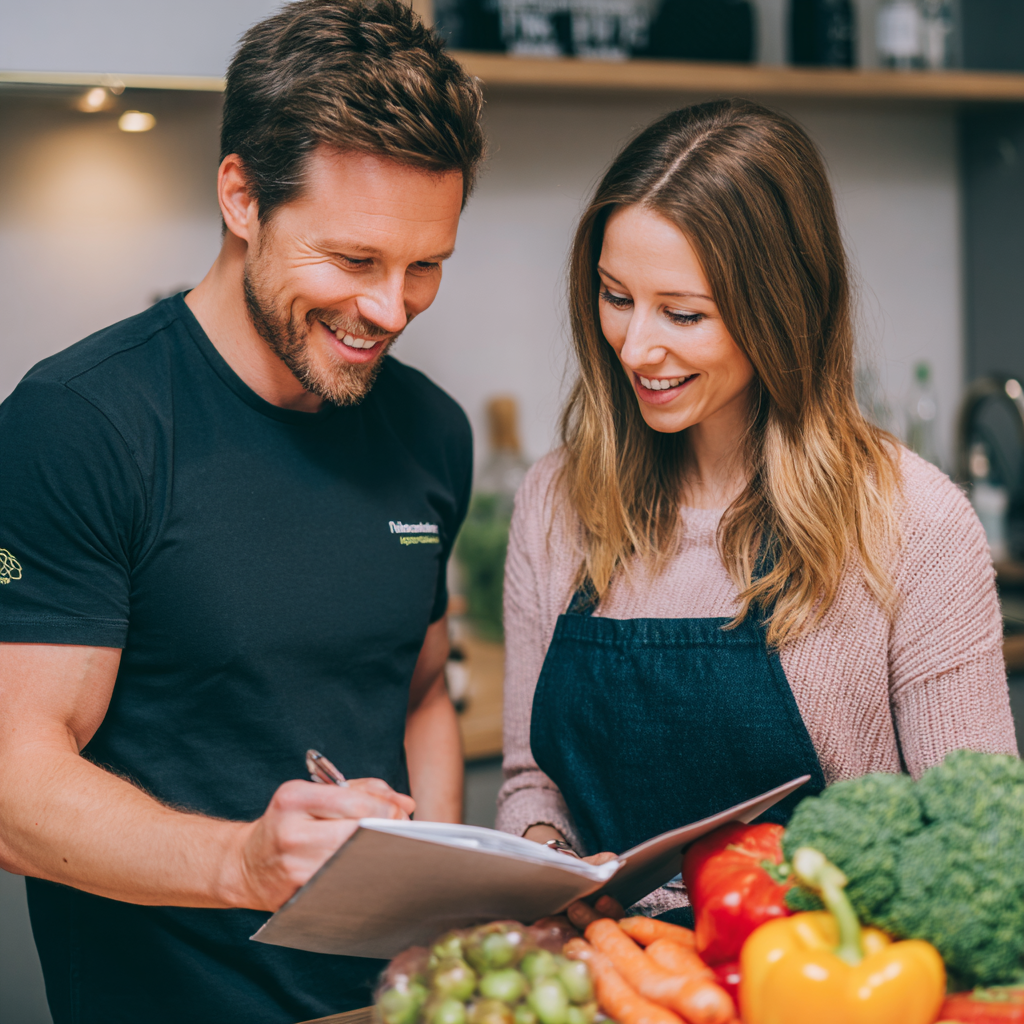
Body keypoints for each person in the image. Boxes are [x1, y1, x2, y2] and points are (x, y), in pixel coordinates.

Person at [0, 2, 484, 1021]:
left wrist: (441, 913)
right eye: (353, 261)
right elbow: (14, 778)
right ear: (241, 197)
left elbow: (421, 691)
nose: (391, 310)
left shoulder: (430, 430)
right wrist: (246, 862)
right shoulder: (81, 422)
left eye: (425, 266)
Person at [496, 100, 1019, 920]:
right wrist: (548, 863)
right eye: (615, 296)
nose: (635, 348)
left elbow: (979, 848)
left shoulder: (911, 522)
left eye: (684, 313)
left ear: (782, 311)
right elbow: (534, 780)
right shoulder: (558, 500)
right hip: (613, 985)